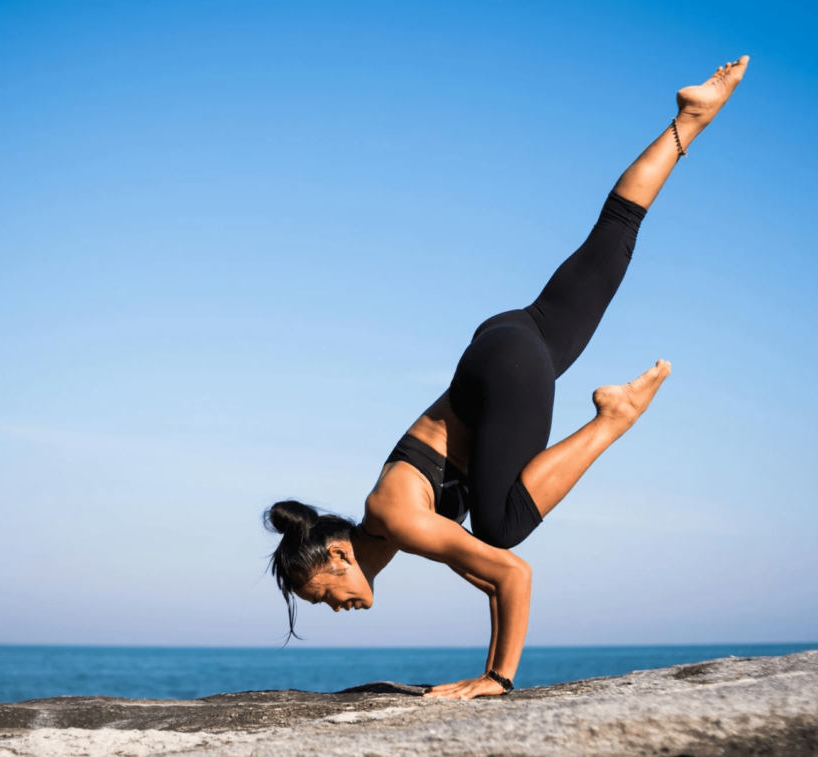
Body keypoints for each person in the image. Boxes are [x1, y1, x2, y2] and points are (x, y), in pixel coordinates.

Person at [263, 57, 750, 700]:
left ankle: (613, 418)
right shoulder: (388, 529)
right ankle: (691, 119)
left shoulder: (396, 518)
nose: (333, 608)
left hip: (507, 372)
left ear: (338, 558)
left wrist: (496, 678)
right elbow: (484, 578)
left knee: (501, 528)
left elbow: (510, 572)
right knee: (613, 238)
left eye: (323, 596)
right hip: (507, 344)